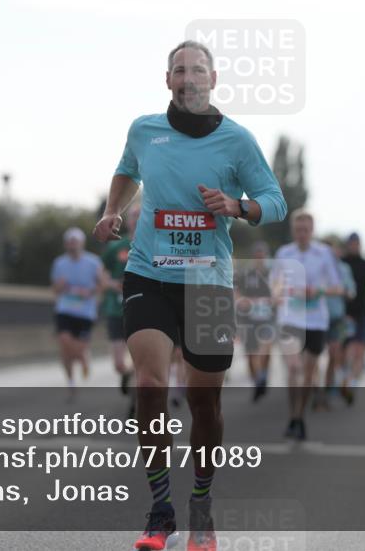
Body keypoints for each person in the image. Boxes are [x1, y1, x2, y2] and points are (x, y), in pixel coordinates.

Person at [93, 40, 285, 551]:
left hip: (208, 282)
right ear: (168, 80)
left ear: (213, 80)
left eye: (197, 70)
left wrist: (237, 206)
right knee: (150, 386)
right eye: (180, 70)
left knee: (205, 403)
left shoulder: (237, 140)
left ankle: (201, 502)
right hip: (149, 273)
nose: (188, 78)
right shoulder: (144, 130)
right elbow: (127, 171)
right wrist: (113, 211)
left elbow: (275, 201)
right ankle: (160, 510)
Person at [272, 210, 342, 440]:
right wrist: (279, 293)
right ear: (293, 231)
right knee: (293, 368)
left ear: (312, 231)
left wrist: (317, 290)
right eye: (298, 230)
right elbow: (274, 284)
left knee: (309, 375)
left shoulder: (324, 254)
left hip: (315, 320)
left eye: (306, 230)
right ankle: (292, 417)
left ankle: (300, 417)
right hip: (290, 318)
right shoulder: (284, 253)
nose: (302, 234)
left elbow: (337, 287)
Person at [51, 227, 104, 399]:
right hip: (65, 308)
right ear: (66, 244)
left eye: (75, 242)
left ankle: (83, 358)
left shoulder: (94, 262)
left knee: (79, 350)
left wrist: (89, 292)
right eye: (70, 242)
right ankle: (71, 383)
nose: (72, 245)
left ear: (82, 243)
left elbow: (101, 285)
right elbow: (56, 290)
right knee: (64, 343)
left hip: (85, 311)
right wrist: (61, 285)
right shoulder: (59, 263)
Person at [101, 204, 140, 396]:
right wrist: (113, 284)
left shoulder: (156, 245)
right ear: (128, 220)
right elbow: (102, 275)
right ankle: (127, 375)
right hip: (117, 309)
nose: (137, 219)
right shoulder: (116, 246)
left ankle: (136, 405)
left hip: (142, 309)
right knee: (118, 363)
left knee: (142, 361)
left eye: (141, 215)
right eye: (133, 216)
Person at [233, 241, 275, 402]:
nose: (260, 257)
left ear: (265, 255)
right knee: (251, 354)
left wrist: (271, 300)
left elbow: (279, 290)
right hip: (248, 319)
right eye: (257, 254)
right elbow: (236, 291)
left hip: (266, 318)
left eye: (262, 254)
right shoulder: (246, 273)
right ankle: (257, 380)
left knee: (266, 347)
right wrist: (243, 300)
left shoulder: (271, 273)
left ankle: (263, 376)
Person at [340, 233, 365, 403]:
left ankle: (353, 383)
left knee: (359, 351)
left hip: (362, 313)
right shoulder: (341, 263)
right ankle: (344, 379)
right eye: (352, 243)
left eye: (357, 243)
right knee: (345, 352)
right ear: (348, 245)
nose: (354, 246)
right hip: (344, 314)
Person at [320, 239, 355, 410]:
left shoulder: (343, 268)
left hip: (336, 317)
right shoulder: (314, 267)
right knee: (313, 358)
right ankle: (318, 391)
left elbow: (350, 291)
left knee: (334, 354)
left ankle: (329, 390)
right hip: (315, 319)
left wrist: (341, 290)